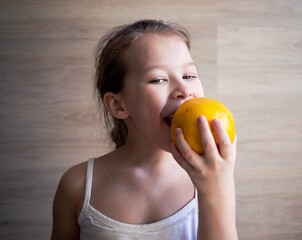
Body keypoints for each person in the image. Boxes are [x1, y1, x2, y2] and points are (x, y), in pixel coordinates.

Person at [51, 19, 238, 240]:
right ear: (118, 105)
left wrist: (216, 187)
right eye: (158, 79)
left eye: (189, 75)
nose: (184, 90)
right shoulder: (78, 186)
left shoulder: (211, 176)